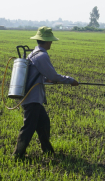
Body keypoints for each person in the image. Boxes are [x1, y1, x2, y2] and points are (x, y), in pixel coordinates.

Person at [13, 27, 78, 158]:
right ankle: (17, 154)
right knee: (29, 127)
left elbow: (38, 76)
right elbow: (53, 76)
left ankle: (48, 151)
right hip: (32, 98)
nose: (51, 43)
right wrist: (70, 80)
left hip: (33, 97)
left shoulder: (34, 53)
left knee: (43, 123)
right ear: (46, 41)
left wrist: (46, 79)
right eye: (50, 41)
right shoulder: (41, 56)